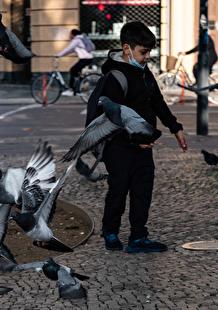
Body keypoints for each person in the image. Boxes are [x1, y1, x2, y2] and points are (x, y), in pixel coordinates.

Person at [94, 21, 188, 253]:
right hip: (119, 147)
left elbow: (156, 102)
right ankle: (110, 231)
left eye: (149, 52)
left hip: (143, 146)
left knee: (142, 192)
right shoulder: (115, 77)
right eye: (143, 52)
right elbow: (113, 119)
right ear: (127, 49)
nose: (147, 57)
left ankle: (138, 238)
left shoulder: (144, 73)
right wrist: (135, 140)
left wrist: (175, 127)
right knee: (118, 191)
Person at [56, 29, 94, 96]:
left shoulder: (76, 41)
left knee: (72, 70)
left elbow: (68, 49)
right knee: (76, 72)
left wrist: (58, 55)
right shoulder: (82, 39)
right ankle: (81, 85)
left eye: (70, 34)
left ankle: (71, 90)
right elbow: (70, 51)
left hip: (85, 59)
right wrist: (61, 55)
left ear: (73, 35)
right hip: (88, 58)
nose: (69, 36)